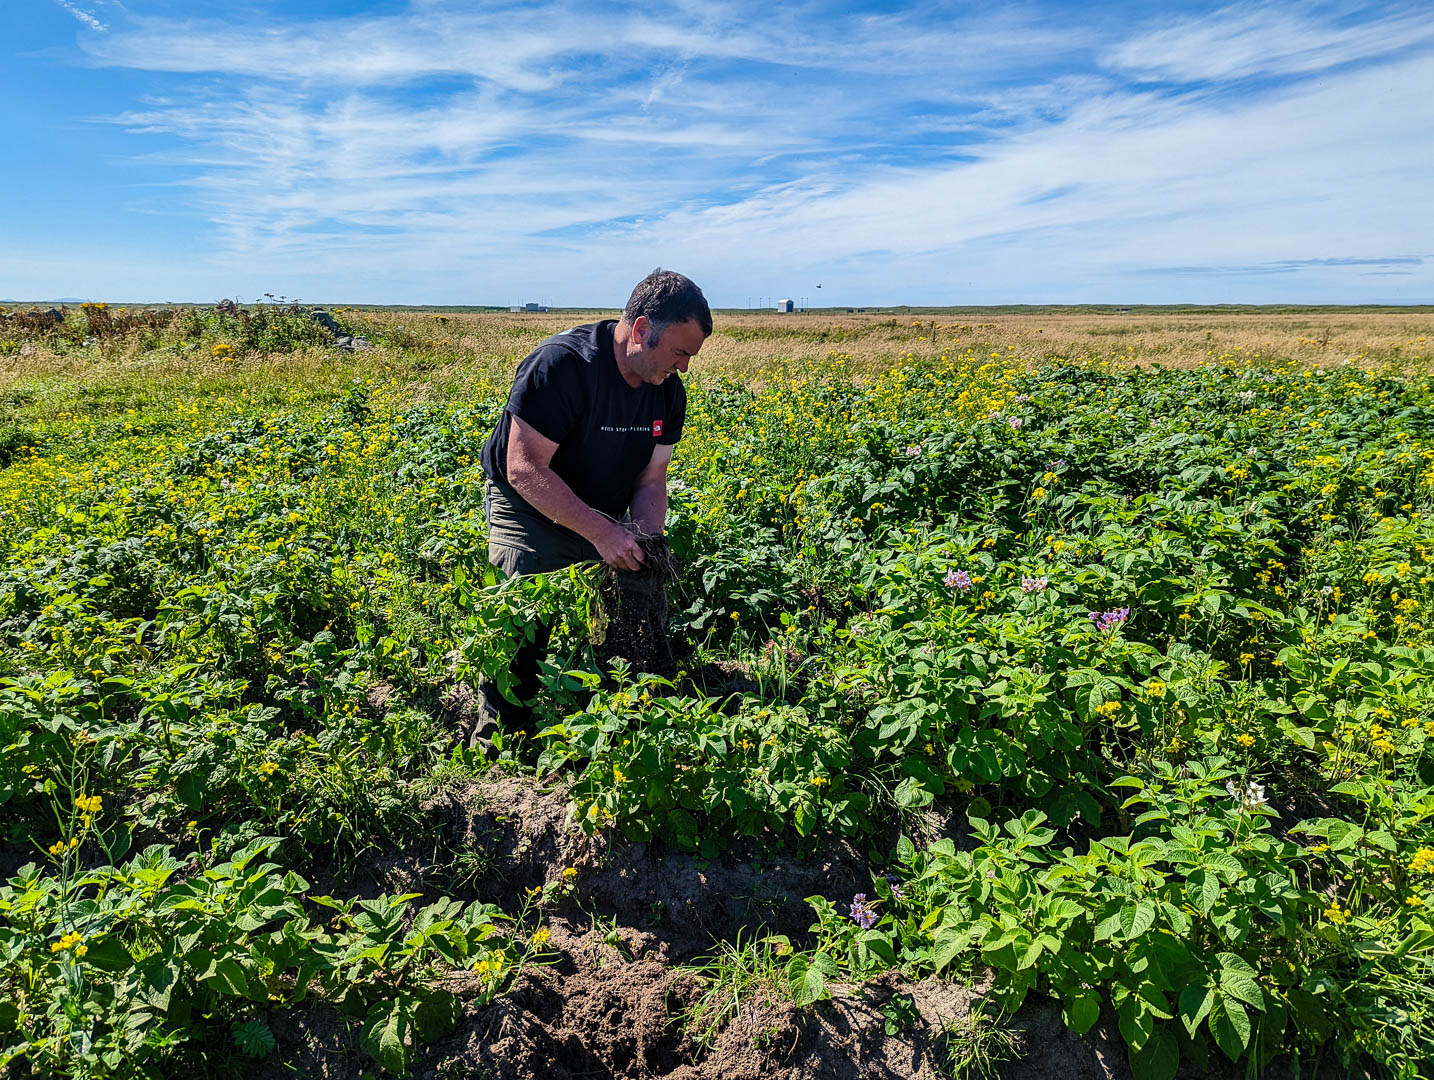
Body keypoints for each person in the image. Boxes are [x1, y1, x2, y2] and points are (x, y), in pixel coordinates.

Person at [472, 268, 712, 745]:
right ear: (642, 330)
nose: (685, 367)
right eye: (680, 352)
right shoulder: (562, 366)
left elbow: (650, 480)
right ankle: (497, 736)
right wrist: (601, 534)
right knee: (524, 611)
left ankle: (593, 723)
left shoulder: (667, 392)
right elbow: (524, 467)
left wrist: (642, 541)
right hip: (530, 500)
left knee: (610, 616)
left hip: (602, 502)